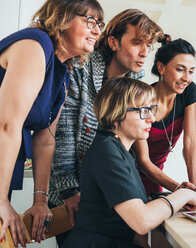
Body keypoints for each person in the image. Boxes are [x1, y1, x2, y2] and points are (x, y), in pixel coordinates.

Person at [48, 8, 163, 235]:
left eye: (149, 46)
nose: (144, 53)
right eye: (137, 43)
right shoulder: (79, 68)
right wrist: (69, 191)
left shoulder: (135, 81)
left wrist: (176, 188)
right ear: (113, 42)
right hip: (70, 193)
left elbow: (137, 152)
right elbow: (63, 134)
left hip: (109, 193)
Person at [0, 0, 104, 246]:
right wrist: (0, 200)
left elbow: (45, 139)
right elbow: (6, 124)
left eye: (100, 24)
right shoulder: (35, 45)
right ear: (63, 17)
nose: (97, 30)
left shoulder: (64, 73)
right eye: (89, 21)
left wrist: (40, 200)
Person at [61, 77, 196, 248]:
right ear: (116, 115)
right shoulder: (107, 152)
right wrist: (183, 194)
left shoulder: (121, 151)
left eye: (151, 109)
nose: (151, 118)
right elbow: (142, 221)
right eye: (143, 110)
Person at [133, 37, 196, 195]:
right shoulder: (141, 99)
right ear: (161, 68)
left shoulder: (188, 91)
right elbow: (142, 161)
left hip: (157, 176)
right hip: (131, 174)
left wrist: (193, 188)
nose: (186, 78)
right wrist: (179, 189)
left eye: (191, 71)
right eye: (180, 69)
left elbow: (190, 140)